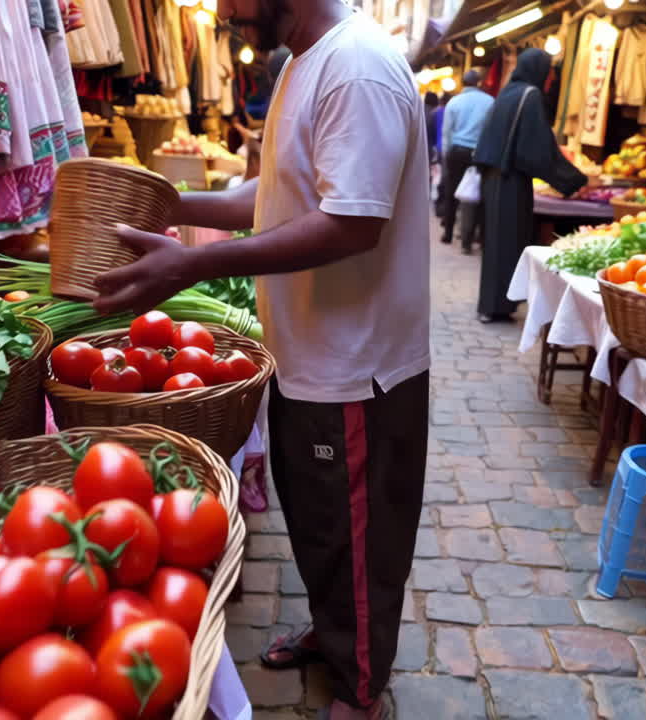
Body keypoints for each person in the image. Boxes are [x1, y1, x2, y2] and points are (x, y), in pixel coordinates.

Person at [91, 0, 431, 717]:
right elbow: (273, 195)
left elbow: (352, 223)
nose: (222, 10)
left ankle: (361, 686)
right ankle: (337, 633)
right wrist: (171, 204)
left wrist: (190, 268)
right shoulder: (304, 64)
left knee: (357, 537)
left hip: (356, 370)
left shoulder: (357, 67)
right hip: (311, 354)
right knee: (320, 524)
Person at [473, 48, 586, 322]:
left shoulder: (508, 92)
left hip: (495, 178)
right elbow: (536, 149)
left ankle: (495, 304)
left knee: (498, 242)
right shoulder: (530, 95)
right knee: (508, 240)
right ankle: (498, 305)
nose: (549, 79)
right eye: (549, 72)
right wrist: (574, 180)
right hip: (510, 180)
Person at [438, 68, 494, 250]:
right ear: (479, 83)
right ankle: (469, 240)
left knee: (451, 192)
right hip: (479, 153)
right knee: (475, 194)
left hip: (457, 152)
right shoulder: (490, 102)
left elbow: (447, 132)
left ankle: (447, 233)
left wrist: (445, 155)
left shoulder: (454, 102)